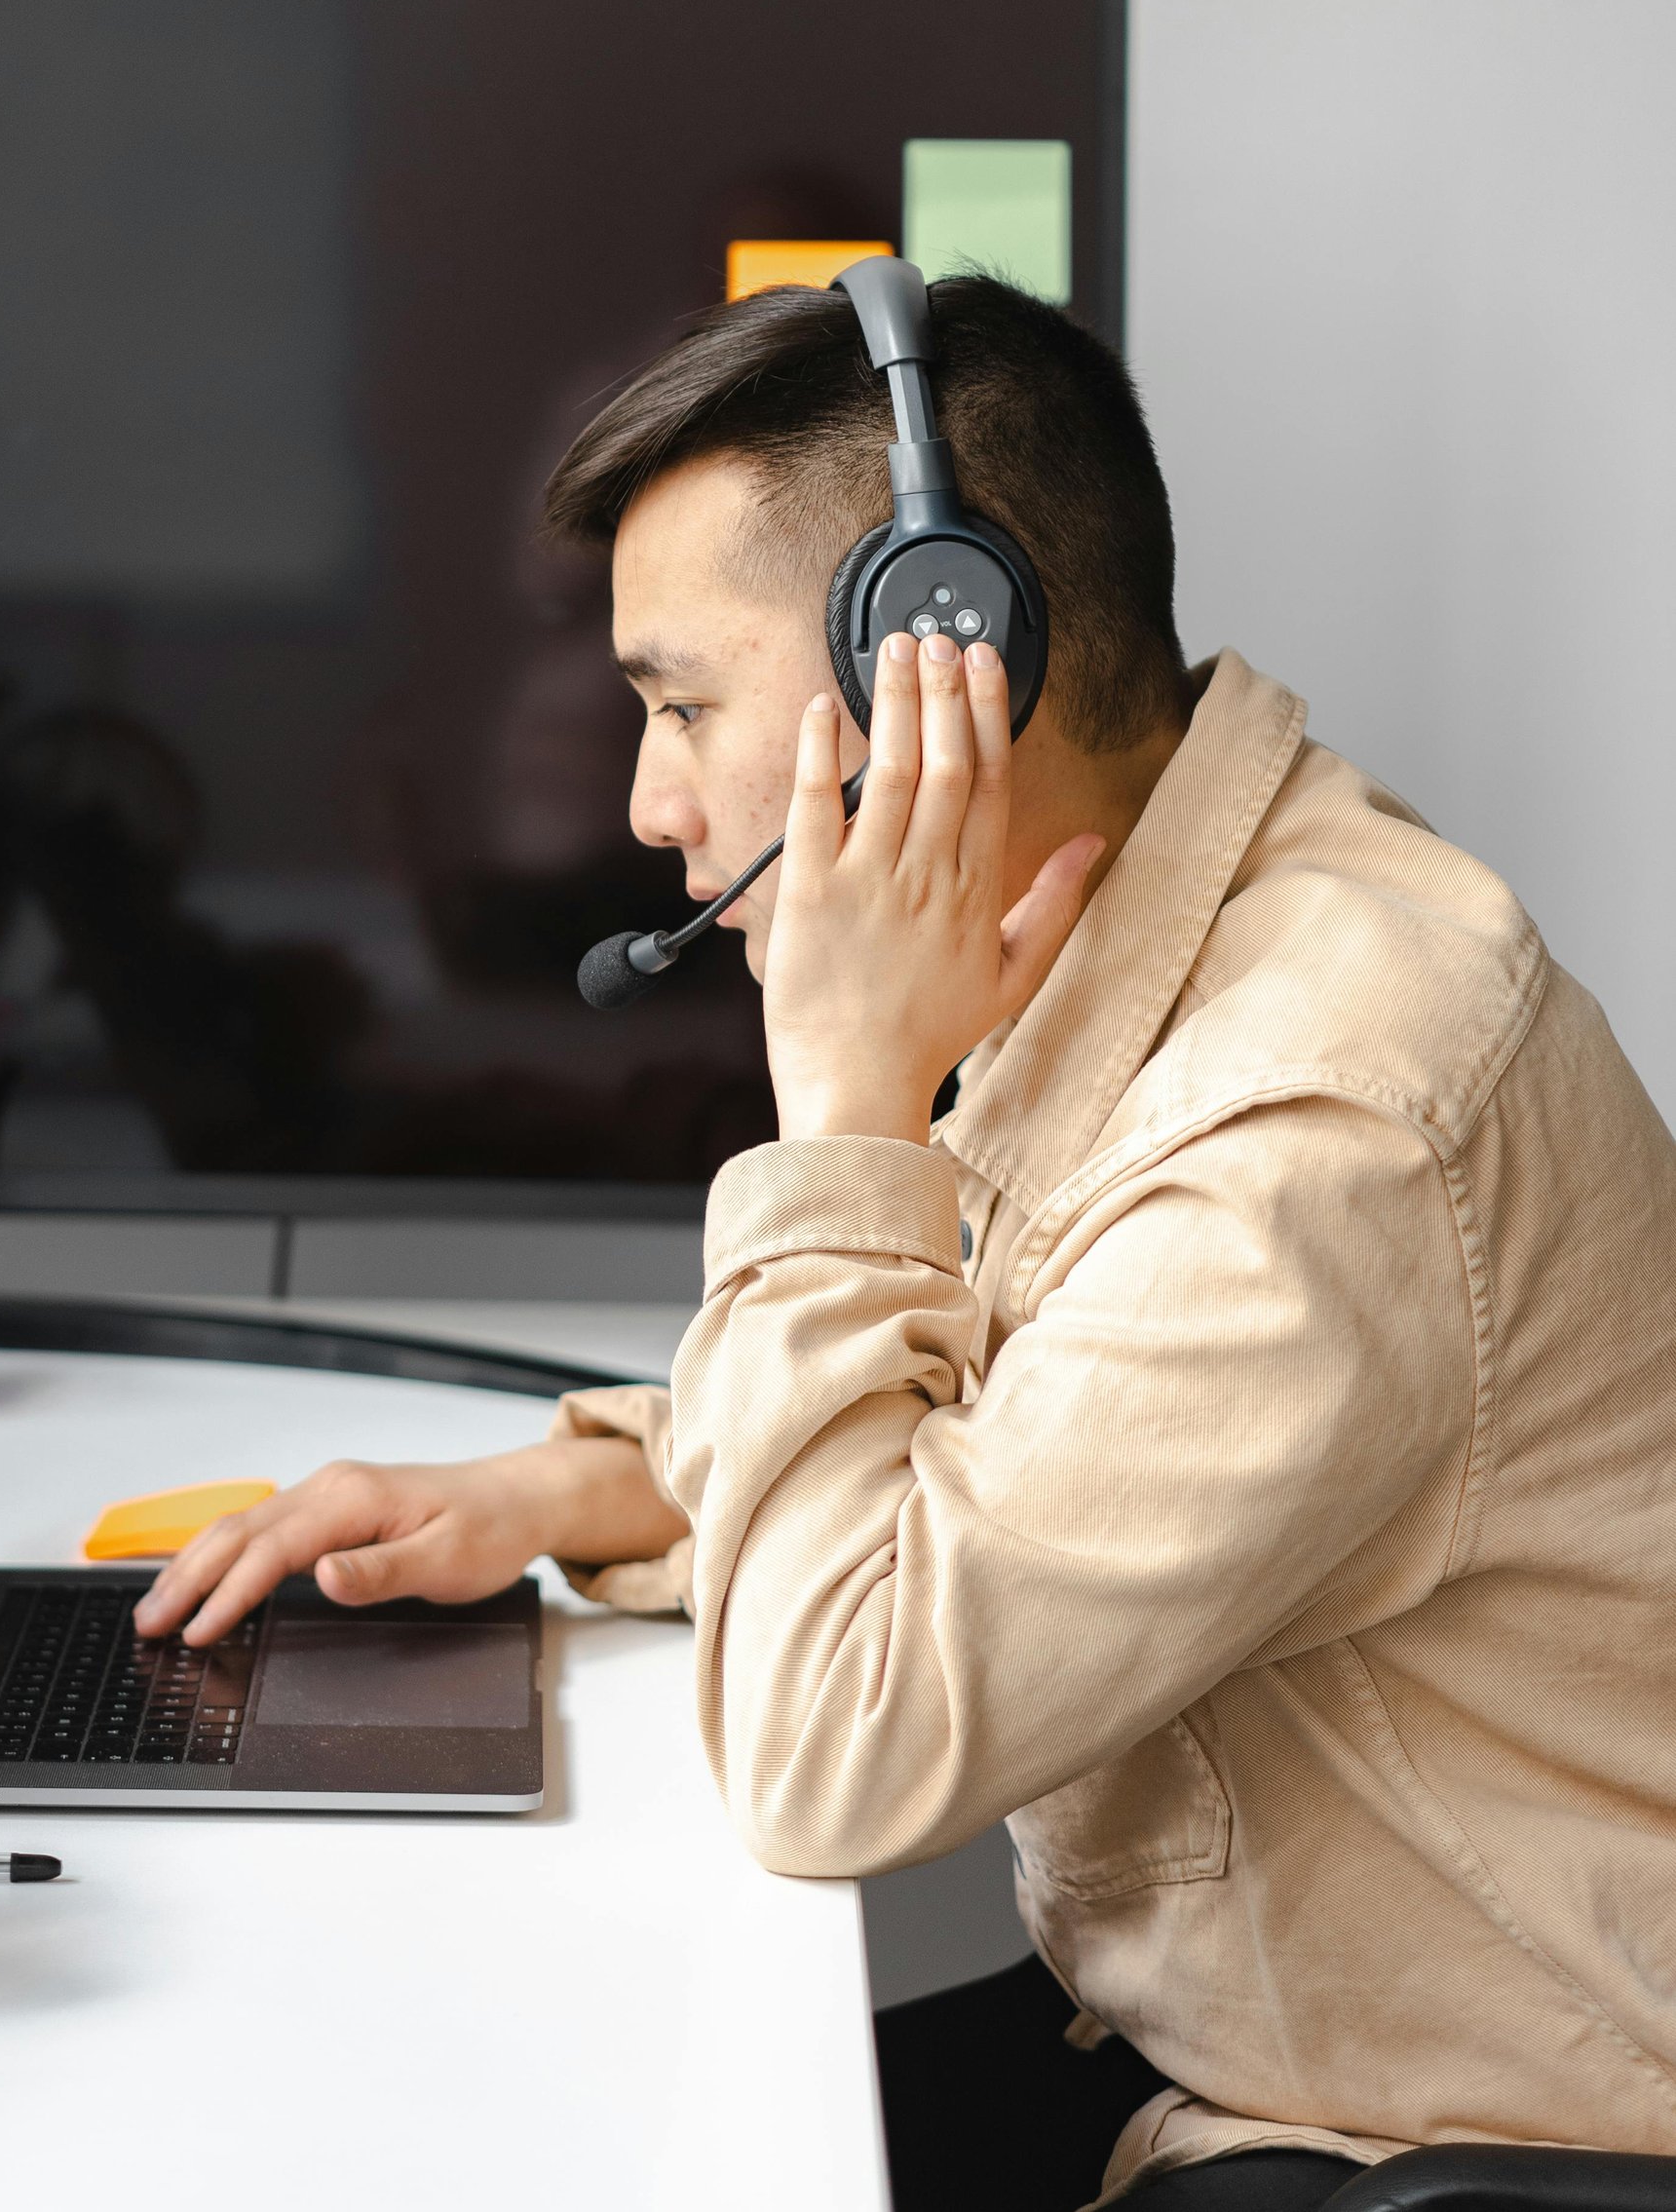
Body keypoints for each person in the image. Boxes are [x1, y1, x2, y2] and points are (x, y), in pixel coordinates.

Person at [135, 276, 1676, 2210]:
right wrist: (561, 1488)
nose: (647, 800)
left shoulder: (1313, 1121)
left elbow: (828, 1758)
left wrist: (845, 1104)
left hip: (1444, 2147)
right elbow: (1026, 1444)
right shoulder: (1174, 921)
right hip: (1256, 2058)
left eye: (683, 705)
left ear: (943, 659)